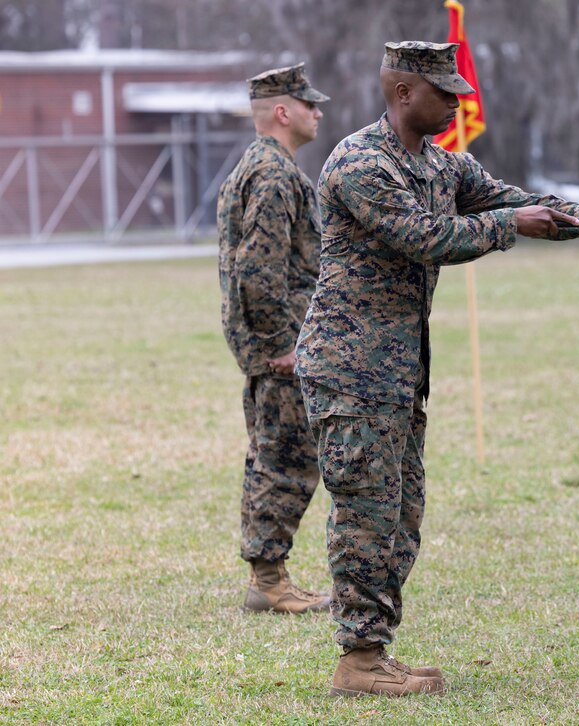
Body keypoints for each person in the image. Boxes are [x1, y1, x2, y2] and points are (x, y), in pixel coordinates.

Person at [295, 41, 579, 698]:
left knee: (400, 514)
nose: (459, 101)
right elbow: (424, 235)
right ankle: (356, 660)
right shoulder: (357, 163)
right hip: (348, 367)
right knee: (365, 513)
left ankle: (376, 649)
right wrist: (507, 225)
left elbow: (520, 201)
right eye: (446, 92)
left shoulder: (442, 165)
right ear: (404, 92)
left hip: (399, 368)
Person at [217, 63, 332, 615]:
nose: (319, 113)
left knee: (271, 452)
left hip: (265, 341)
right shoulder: (274, 175)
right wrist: (284, 343)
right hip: (279, 345)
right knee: (285, 457)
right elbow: (258, 270)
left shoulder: (260, 168)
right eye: (310, 105)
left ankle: (272, 573)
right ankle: (268, 580)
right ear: (283, 112)